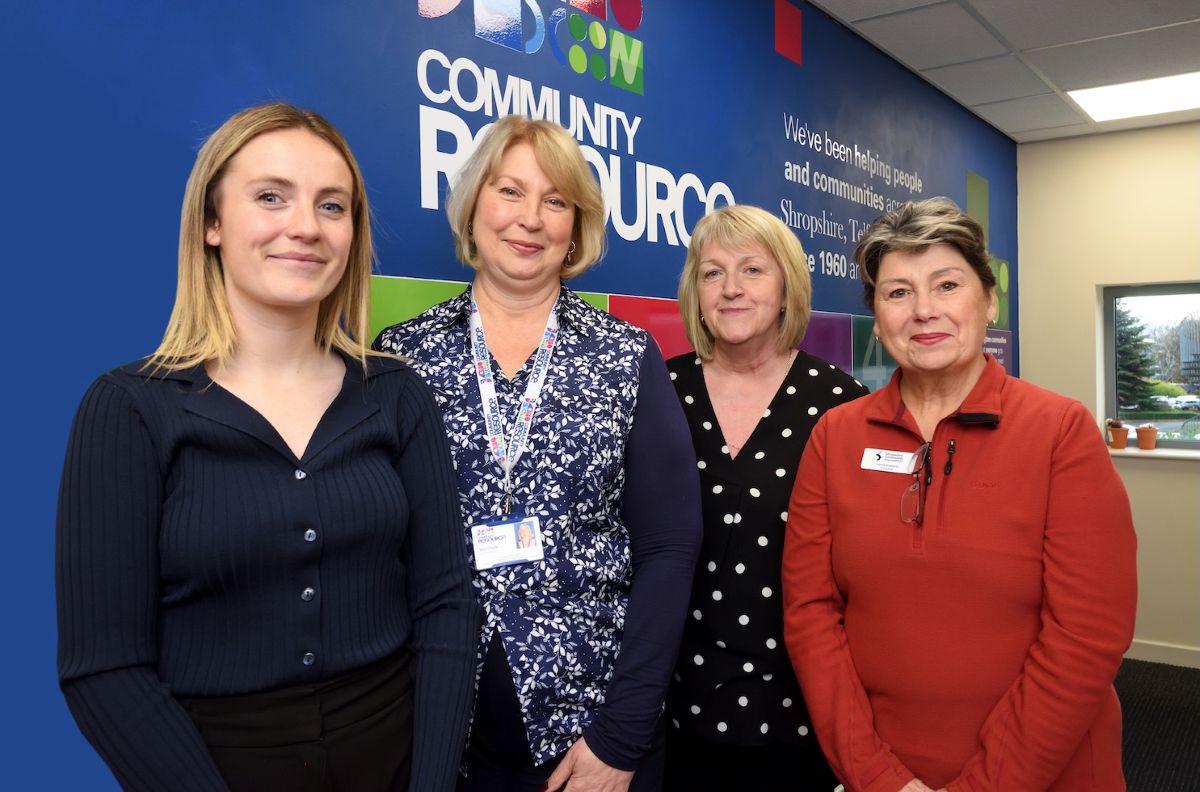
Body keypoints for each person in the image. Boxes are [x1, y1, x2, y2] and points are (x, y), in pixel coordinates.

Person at [56, 102, 479, 792]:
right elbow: (105, 670)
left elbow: (446, 606)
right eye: (271, 197)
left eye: (332, 206)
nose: (305, 227)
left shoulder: (397, 392)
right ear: (213, 224)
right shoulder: (129, 408)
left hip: (396, 760)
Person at [374, 114, 702, 792]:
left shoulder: (625, 356)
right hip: (434, 725)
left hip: (594, 732)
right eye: (509, 191)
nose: (531, 218)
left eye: (556, 201)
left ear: (576, 226)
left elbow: (669, 550)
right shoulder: (402, 355)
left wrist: (622, 735)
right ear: (473, 206)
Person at [782, 197, 1137, 792]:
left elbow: (1087, 635)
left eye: (946, 285)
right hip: (881, 773)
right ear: (876, 312)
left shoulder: (1060, 432)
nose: (924, 311)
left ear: (988, 298)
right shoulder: (835, 435)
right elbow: (811, 616)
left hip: (1047, 771)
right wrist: (876, 776)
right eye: (897, 292)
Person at [663, 204, 868, 791]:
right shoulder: (657, 390)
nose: (730, 289)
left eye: (752, 270)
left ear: (786, 290)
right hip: (671, 708)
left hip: (797, 711)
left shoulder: (839, 403)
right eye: (712, 273)